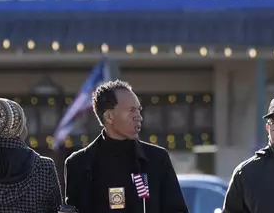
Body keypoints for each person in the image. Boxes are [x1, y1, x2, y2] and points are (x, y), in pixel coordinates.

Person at [64, 80, 188, 213]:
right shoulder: (79, 164)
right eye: (131, 110)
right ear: (109, 117)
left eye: (139, 110)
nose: (139, 117)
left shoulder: (157, 159)